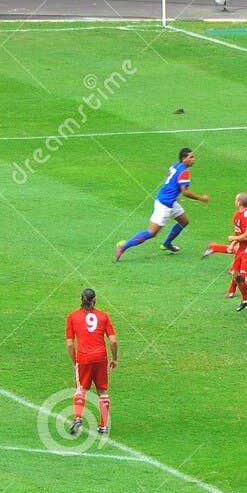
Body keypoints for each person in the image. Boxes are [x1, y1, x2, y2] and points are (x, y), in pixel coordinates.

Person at [115, 148, 210, 260]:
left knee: (184, 221)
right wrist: (201, 198)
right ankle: (124, 246)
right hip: (164, 204)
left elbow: (169, 181)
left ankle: (167, 244)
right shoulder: (185, 172)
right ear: (184, 159)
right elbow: (185, 192)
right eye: (191, 157)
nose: (194, 160)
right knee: (151, 232)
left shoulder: (175, 166)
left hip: (169, 200)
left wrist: (173, 195)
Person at [65, 288, 117, 436]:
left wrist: (75, 361)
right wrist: (114, 359)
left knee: (81, 389)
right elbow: (113, 341)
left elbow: (70, 344)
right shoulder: (103, 316)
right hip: (101, 357)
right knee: (102, 391)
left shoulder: (72, 317)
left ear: (81, 300)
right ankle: (103, 426)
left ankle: (78, 417)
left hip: (84, 357)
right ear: (94, 300)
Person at [202, 192, 247, 308]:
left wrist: (233, 239)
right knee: (235, 273)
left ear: (239, 202)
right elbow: (240, 233)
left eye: (235, 199)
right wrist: (234, 242)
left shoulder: (246, 216)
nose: (234, 201)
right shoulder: (238, 215)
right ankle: (246, 299)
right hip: (241, 248)